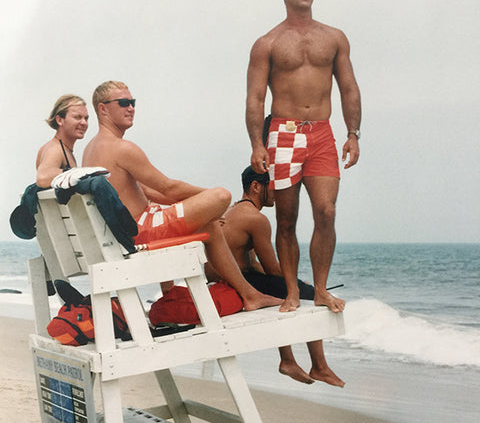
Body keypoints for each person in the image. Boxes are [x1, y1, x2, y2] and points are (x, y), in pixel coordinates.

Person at [82, 80, 281, 311]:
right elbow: (169, 189)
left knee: (210, 226)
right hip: (141, 232)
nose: (131, 108)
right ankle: (247, 295)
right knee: (221, 195)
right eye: (124, 103)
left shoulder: (92, 148)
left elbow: (154, 193)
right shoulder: (122, 148)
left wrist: (204, 210)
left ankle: (248, 295)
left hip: (127, 232)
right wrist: (213, 200)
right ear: (103, 109)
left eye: (133, 102)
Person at [246, 0, 361, 313]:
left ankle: (322, 289)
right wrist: (256, 144)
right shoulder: (267, 43)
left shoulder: (334, 37)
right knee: (286, 217)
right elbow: (255, 97)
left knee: (326, 211)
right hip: (283, 133)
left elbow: (348, 88)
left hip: (322, 134)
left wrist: (353, 134)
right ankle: (293, 291)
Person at [208, 166, 344, 387]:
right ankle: (318, 366)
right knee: (310, 295)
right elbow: (272, 268)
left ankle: (288, 360)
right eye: (274, 187)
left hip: (229, 278)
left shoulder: (232, 212)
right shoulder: (256, 219)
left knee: (288, 287)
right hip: (237, 281)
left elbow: (251, 262)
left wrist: (294, 282)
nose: (279, 193)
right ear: (256, 186)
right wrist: (300, 285)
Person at [36, 94, 89, 187]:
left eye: (86, 118)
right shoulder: (56, 150)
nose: (84, 123)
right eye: (77, 117)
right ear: (60, 120)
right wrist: (77, 173)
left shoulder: (62, 148)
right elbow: (42, 178)